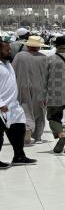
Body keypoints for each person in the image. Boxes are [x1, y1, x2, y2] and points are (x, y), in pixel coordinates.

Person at [0, 39, 37, 167]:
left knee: (19, 129)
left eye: (9, 49)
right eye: (7, 50)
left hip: (13, 106)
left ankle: (19, 156)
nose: (9, 52)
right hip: (2, 107)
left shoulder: (7, 64)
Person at [12, 34, 49, 144]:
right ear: (39, 47)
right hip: (39, 87)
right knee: (40, 111)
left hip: (22, 86)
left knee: (25, 108)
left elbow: (13, 71)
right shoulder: (43, 58)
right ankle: (37, 137)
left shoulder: (20, 56)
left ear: (28, 46)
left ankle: (27, 128)